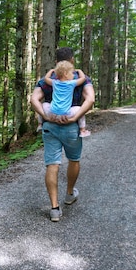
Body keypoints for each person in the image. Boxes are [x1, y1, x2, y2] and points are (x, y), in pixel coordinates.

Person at [30, 47, 95, 222]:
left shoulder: (49, 79)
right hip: (71, 125)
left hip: (50, 125)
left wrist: (44, 117)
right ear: (72, 61)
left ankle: (54, 208)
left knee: (52, 164)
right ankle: (69, 194)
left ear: (55, 61)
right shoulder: (80, 79)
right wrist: (76, 116)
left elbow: (34, 99)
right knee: (74, 159)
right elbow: (90, 99)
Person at [38, 60, 91, 137]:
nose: (73, 75)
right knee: (80, 109)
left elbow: (46, 78)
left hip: (52, 113)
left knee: (43, 105)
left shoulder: (55, 83)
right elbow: (83, 79)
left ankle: (40, 124)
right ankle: (82, 130)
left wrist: (51, 71)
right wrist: (79, 71)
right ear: (66, 74)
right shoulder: (71, 83)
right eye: (71, 73)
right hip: (66, 114)